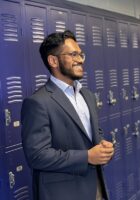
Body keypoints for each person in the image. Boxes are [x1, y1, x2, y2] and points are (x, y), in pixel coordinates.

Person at [21, 30, 114, 200]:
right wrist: (87, 156)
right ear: (53, 60)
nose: (80, 60)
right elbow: (37, 156)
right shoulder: (38, 102)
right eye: (73, 54)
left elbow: (92, 135)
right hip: (63, 193)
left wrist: (103, 147)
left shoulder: (87, 95)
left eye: (80, 54)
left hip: (96, 188)